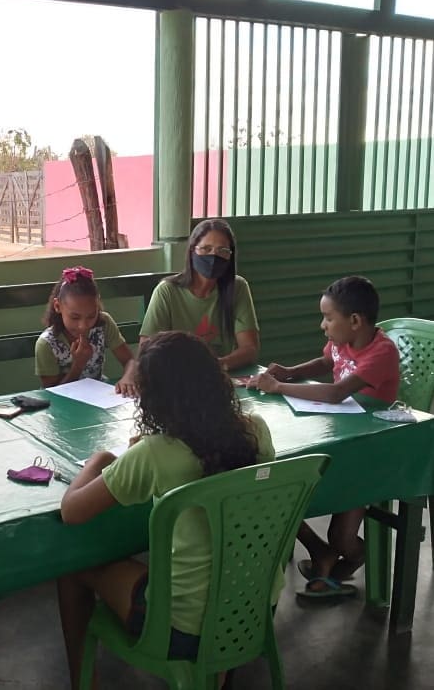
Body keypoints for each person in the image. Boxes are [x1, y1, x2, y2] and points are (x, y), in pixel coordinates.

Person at [57, 331, 278, 689]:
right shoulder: (256, 430)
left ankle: (85, 684)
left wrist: (101, 459)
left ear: (153, 399)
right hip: (254, 610)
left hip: (183, 628)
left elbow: (72, 512)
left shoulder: (154, 454)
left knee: (71, 565)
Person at [247, 275, 399, 598]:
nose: (322, 325)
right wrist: (290, 371)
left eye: (328, 318)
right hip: (340, 438)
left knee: (342, 537)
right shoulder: (343, 340)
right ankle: (324, 562)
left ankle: (349, 561)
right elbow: (326, 361)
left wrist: (279, 386)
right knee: (285, 491)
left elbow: (336, 393)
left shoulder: (381, 352)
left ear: (355, 321)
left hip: (368, 450)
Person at [125, 220, 258, 393]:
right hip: (174, 382)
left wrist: (217, 365)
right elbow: (146, 347)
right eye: (206, 249)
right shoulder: (167, 291)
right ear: (192, 251)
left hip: (217, 383)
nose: (214, 257)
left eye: (222, 251)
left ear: (230, 256)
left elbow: (249, 349)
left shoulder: (238, 287)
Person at [35, 266, 136, 395]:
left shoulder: (104, 323)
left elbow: (130, 360)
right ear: (57, 306)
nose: (83, 325)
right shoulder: (47, 344)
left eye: (91, 316)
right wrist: (78, 364)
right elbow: (52, 393)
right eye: (75, 317)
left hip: (98, 397)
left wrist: (128, 377)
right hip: (63, 406)